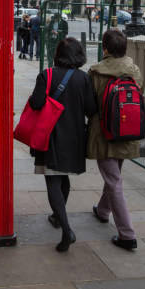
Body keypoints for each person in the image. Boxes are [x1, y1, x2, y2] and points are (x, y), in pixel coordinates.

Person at [28, 37, 97, 252]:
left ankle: (66, 229)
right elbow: (91, 109)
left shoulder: (47, 75)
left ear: (58, 54)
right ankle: (57, 218)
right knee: (63, 178)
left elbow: (36, 103)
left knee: (53, 182)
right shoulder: (83, 78)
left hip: (51, 136)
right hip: (74, 137)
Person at [87, 29, 143, 251]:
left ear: (106, 49)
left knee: (113, 180)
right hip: (128, 131)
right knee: (114, 176)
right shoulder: (134, 70)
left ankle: (127, 234)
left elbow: (90, 105)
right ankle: (102, 211)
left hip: (104, 134)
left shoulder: (96, 72)